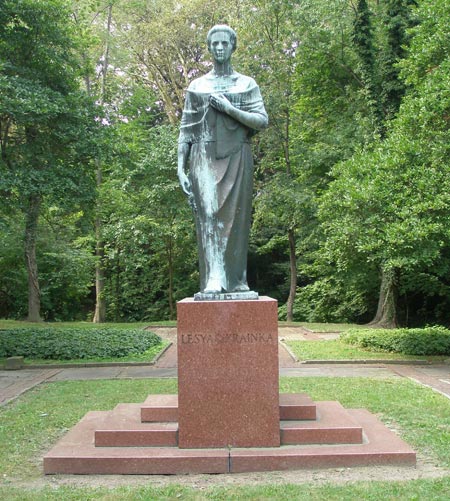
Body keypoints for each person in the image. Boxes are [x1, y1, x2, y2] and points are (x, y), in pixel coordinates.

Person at [178, 25, 268, 295]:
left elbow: (262, 121)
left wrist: (230, 109)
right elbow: (186, 130)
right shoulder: (198, 86)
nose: (219, 48)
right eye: (214, 43)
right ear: (208, 47)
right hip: (203, 156)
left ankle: (237, 281)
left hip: (237, 156)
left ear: (233, 46)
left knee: (237, 219)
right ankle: (214, 277)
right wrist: (180, 168)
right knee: (209, 216)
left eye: (224, 43)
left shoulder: (246, 84)